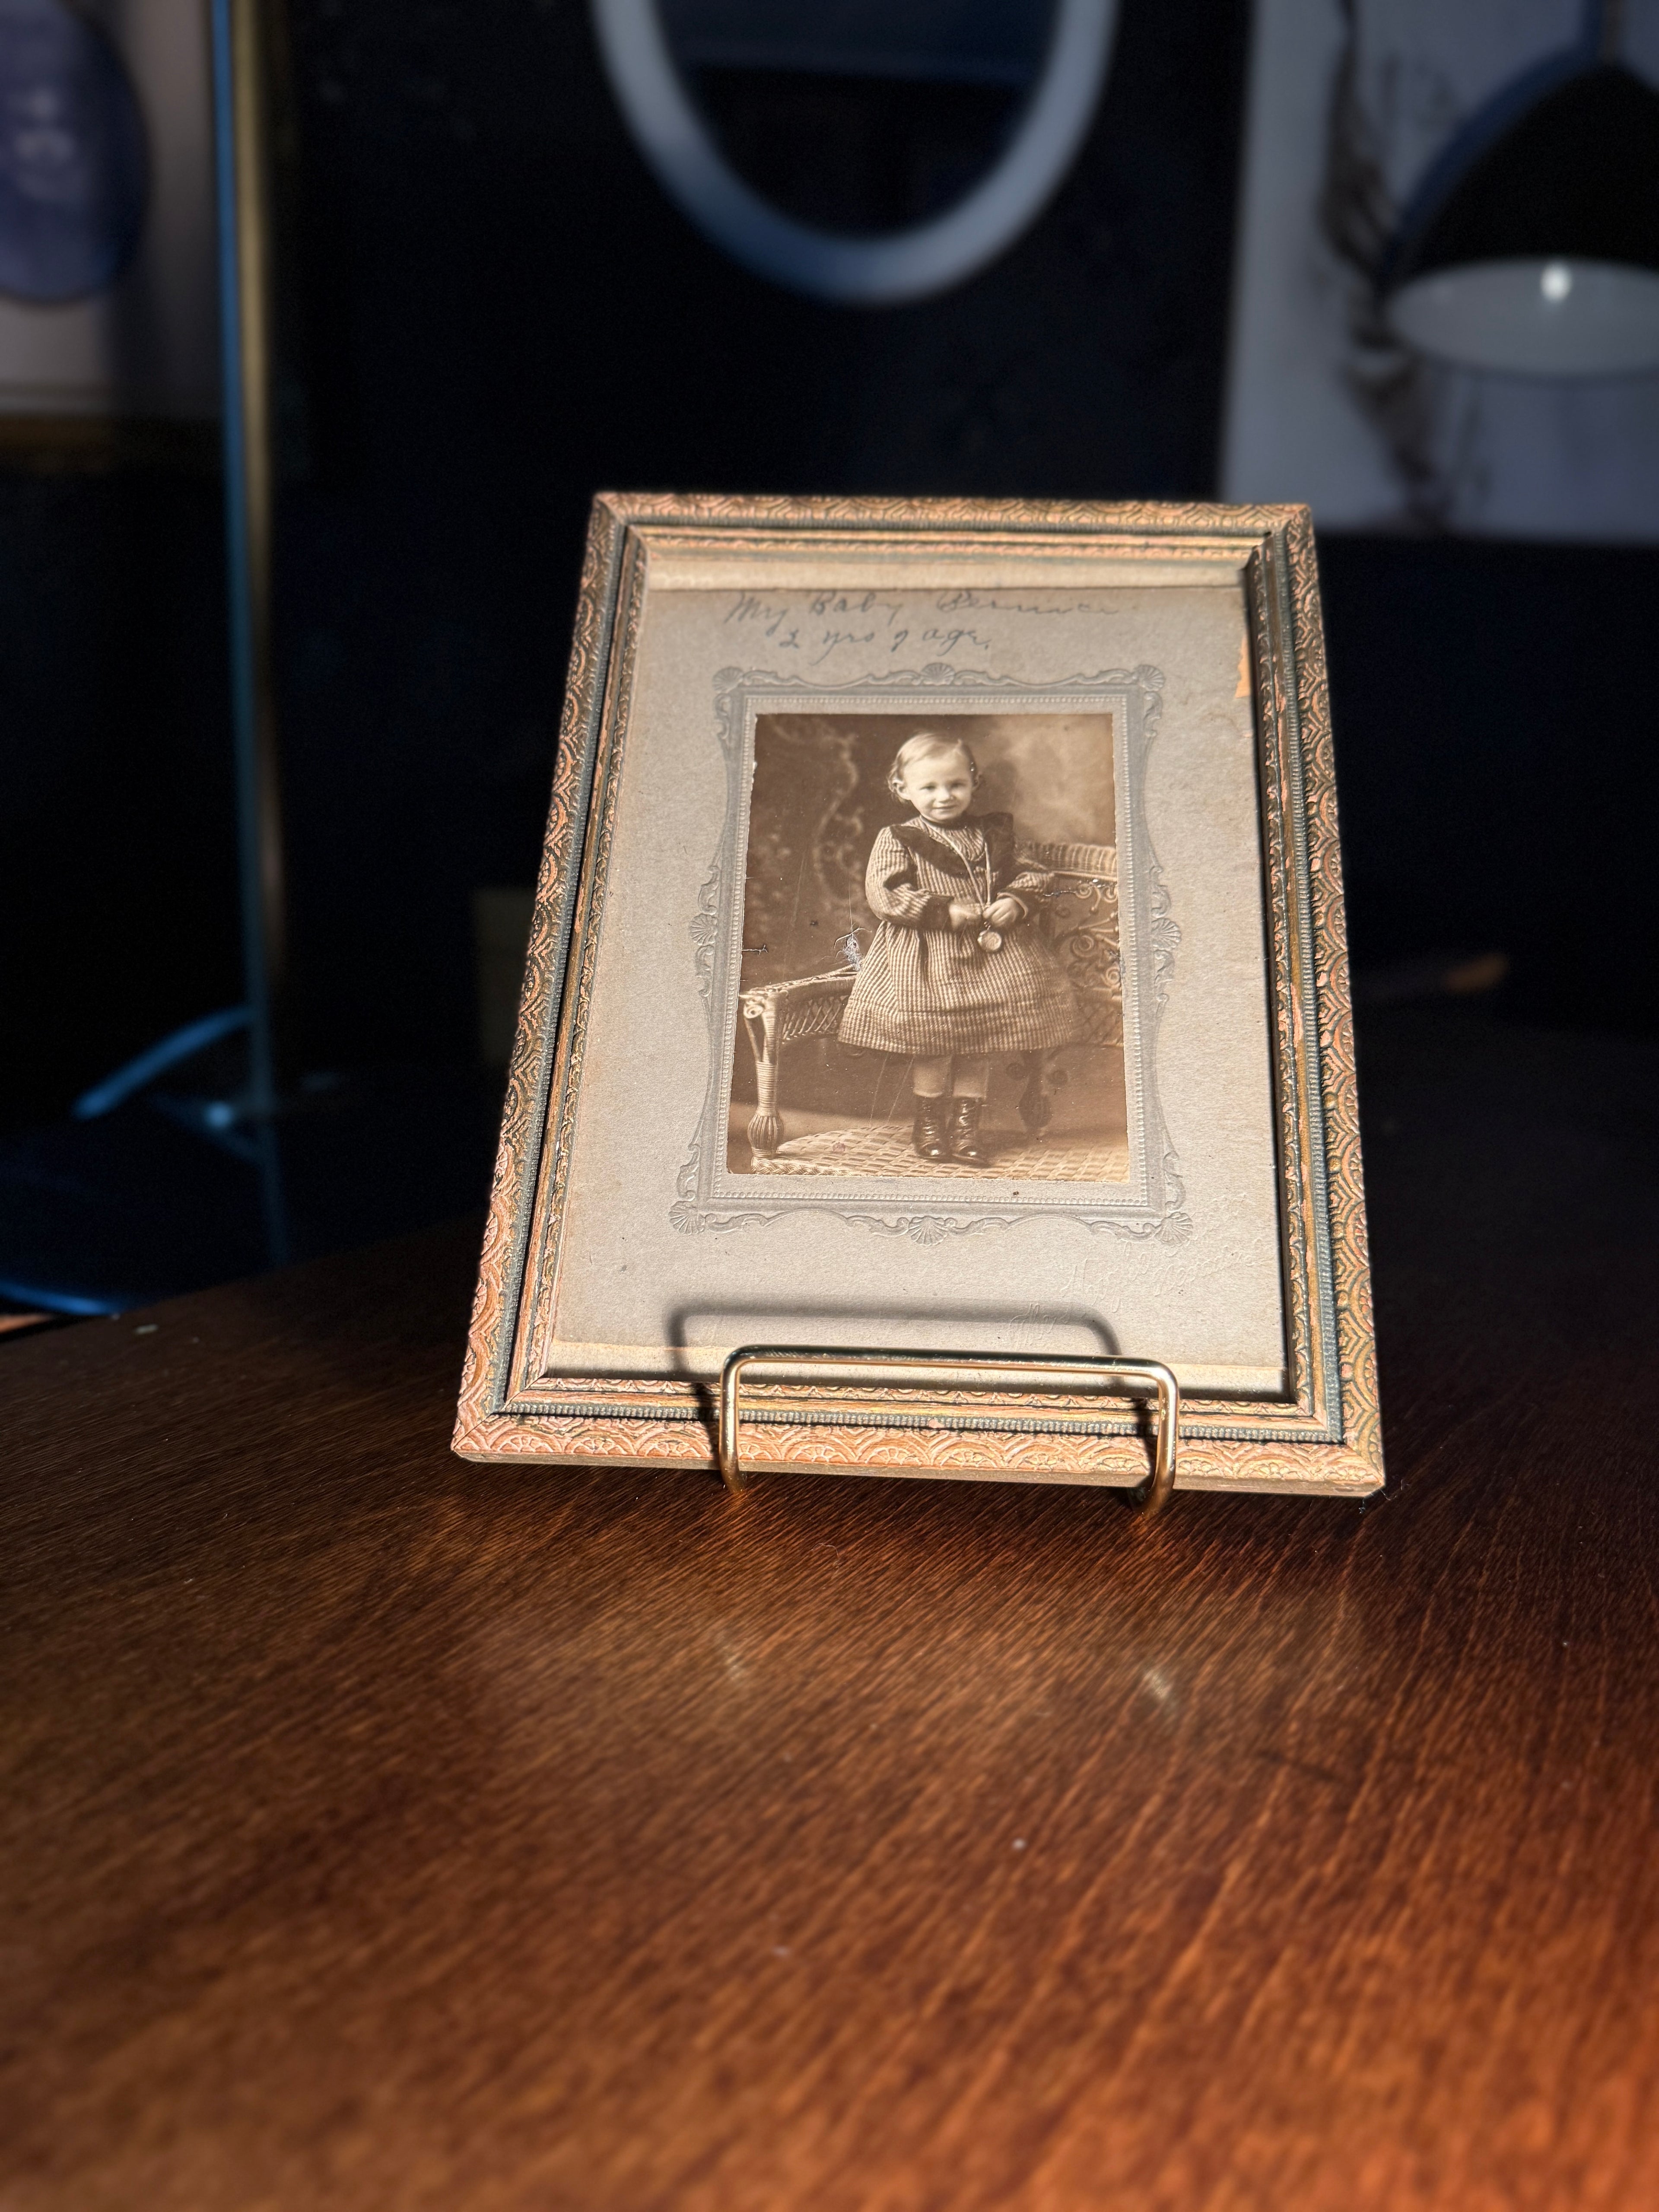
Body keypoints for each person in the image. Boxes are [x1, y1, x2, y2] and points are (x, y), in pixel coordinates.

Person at [837, 732, 1082, 1164]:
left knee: (977, 1041)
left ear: (974, 782)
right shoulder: (898, 837)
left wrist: (1014, 899)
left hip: (991, 958)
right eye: (928, 787)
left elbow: (1035, 874)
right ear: (902, 789)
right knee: (936, 1041)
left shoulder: (992, 834)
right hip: (929, 958)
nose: (944, 796)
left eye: (955, 784)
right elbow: (885, 893)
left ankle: (967, 1127)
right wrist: (942, 910)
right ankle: (929, 1122)